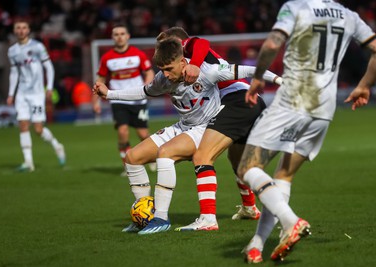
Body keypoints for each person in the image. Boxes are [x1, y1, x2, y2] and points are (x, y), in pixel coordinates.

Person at [93, 37, 282, 235]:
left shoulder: (206, 71)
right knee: (132, 157)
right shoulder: (163, 79)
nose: (165, 74)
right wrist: (109, 94)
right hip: (184, 126)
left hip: (206, 127)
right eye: (161, 69)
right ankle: (144, 217)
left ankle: (161, 217)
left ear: (183, 62)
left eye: (168, 68)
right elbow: (142, 91)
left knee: (166, 153)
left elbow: (249, 70)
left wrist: (280, 81)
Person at [236, 0, 376, 263]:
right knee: (284, 176)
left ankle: (290, 222)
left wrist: (257, 78)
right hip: (323, 108)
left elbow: (272, 44)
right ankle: (257, 244)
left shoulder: (296, 7)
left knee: (247, 168)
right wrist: (365, 85)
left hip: (293, 101)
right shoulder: (349, 15)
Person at [154, 27, 275, 231]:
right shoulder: (194, 63)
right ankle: (251, 207)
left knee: (202, 156)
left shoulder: (193, 50)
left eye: (171, 45)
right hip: (248, 101)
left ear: (180, 43)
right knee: (238, 161)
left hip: (236, 100)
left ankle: (208, 219)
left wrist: (193, 64)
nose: (169, 49)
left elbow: (200, 42)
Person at [93, 24, 156, 175]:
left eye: (122, 33)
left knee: (142, 134)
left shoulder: (137, 54)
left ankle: (152, 158)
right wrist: (95, 100)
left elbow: (149, 72)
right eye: (116, 34)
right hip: (118, 99)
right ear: (112, 37)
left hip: (137, 99)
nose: (119, 36)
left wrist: (147, 88)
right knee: (122, 131)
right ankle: (127, 166)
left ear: (128, 36)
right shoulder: (107, 58)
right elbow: (100, 79)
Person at [6, 19, 66, 172]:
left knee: (38, 129)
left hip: (37, 93)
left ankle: (57, 146)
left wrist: (50, 87)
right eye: (18, 27)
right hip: (22, 93)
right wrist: (11, 93)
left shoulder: (37, 47)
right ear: (14, 31)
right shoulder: (12, 50)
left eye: (23, 27)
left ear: (28, 30)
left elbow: (49, 67)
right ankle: (28, 162)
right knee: (23, 125)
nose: (21, 30)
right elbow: (14, 73)